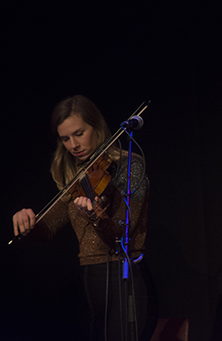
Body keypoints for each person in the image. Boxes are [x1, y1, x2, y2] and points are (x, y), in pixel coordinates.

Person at [12, 95, 157, 341]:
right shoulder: (80, 176)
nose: (73, 145)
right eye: (65, 138)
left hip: (125, 276)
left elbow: (123, 235)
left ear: (96, 127)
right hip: (91, 281)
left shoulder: (129, 166)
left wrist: (97, 217)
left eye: (79, 133)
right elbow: (48, 227)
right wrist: (28, 222)